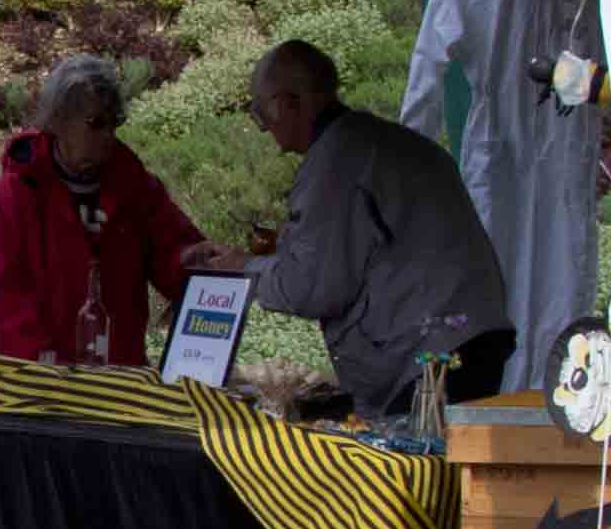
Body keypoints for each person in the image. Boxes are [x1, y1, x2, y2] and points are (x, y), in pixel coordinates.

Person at [193, 40, 514, 417]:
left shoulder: (335, 161)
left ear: (285, 103)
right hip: (470, 333)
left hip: (430, 349)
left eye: (259, 114)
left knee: (415, 470)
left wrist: (245, 269)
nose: (264, 129)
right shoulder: (380, 142)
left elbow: (312, 288)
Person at [401, 0, 602, 389]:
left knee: (528, 278)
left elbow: (425, 82)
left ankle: (531, 401)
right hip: (514, 150)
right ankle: (526, 400)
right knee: (534, 279)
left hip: (540, 152)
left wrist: (408, 176)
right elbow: (426, 74)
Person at [0, 54, 202, 367]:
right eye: (96, 123)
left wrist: (193, 261)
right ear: (57, 121)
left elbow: (173, 251)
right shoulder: (19, 191)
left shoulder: (133, 185)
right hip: (44, 383)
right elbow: (2, 295)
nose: (108, 134)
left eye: (115, 122)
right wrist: (41, 372)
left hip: (118, 376)